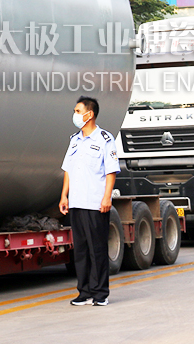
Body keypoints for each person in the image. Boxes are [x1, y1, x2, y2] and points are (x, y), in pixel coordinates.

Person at [59, 96, 120, 307]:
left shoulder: (105, 139)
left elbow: (111, 171)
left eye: (78, 111)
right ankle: (84, 292)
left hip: (95, 203)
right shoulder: (74, 140)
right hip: (77, 202)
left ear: (89, 114)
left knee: (97, 250)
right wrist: (64, 196)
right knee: (81, 250)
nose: (75, 115)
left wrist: (107, 197)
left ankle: (100, 293)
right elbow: (68, 169)